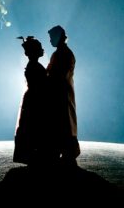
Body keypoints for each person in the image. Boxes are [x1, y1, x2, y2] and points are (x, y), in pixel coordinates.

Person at [12, 36, 53, 166]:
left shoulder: (33, 65)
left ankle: (33, 156)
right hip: (36, 99)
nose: (42, 50)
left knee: (31, 126)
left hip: (33, 98)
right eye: (40, 48)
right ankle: (34, 156)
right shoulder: (34, 66)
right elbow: (41, 84)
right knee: (34, 126)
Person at [46, 25, 80, 164]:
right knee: (62, 123)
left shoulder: (64, 54)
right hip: (60, 94)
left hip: (62, 95)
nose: (50, 41)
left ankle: (67, 152)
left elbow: (59, 75)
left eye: (51, 37)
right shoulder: (60, 53)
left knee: (64, 122)